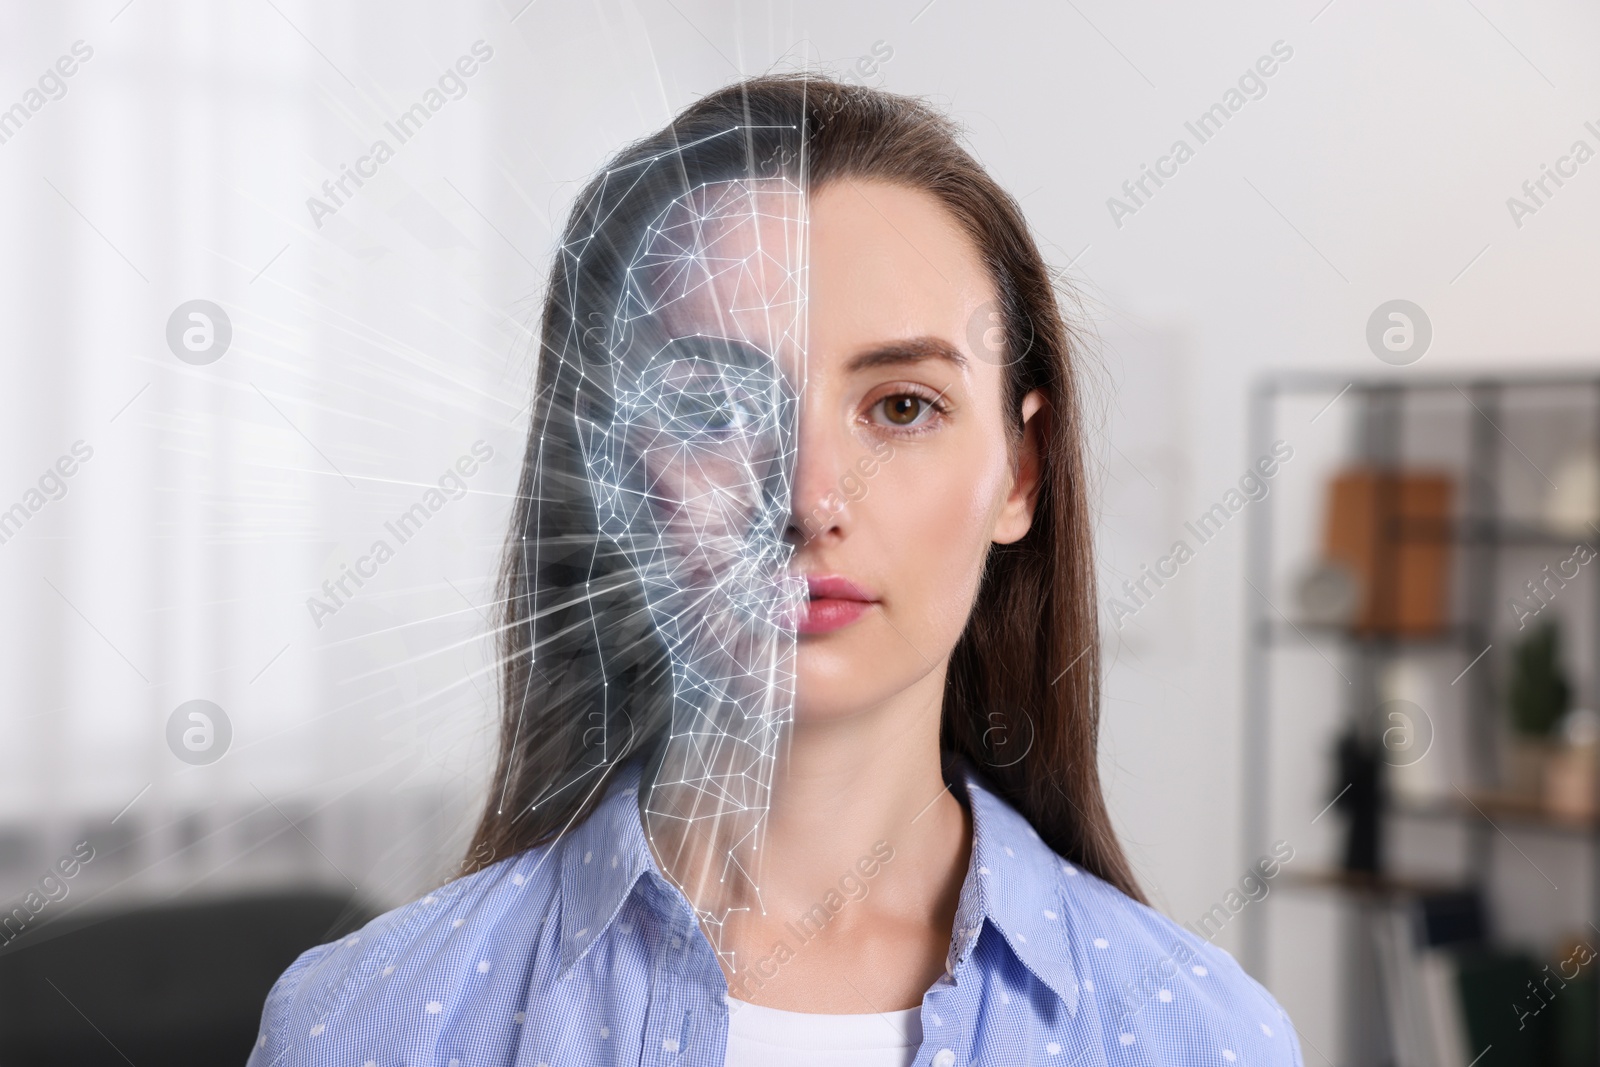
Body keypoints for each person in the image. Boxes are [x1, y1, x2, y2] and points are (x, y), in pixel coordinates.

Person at [250, 74, 1302, 1067]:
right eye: (712, 408)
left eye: (901, 406)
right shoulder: (363, 1023)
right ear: (604, 469)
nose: (806, 500)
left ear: (1018, 472)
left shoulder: (1204, 1037)